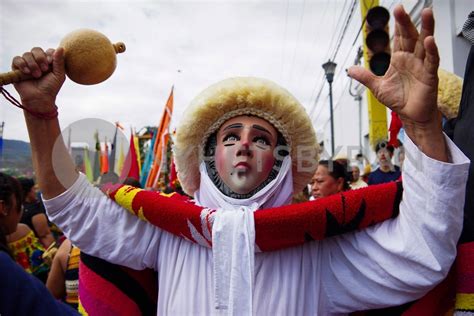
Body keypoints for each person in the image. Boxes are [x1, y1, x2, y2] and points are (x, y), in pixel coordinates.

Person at [10, 5, 470, 314]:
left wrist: (424, 127)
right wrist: (39, 114)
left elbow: (423, 254)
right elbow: (76, 210)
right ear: (207, 157)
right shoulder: (166, 236)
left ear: (284, 160)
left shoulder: (318, 250)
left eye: (262, 137)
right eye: (230, 135)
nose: (244, 143)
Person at [0, 173, 78, 315]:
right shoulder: (4, 266)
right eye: (18, 202)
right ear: (3, 207)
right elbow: (45, 307)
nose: (21, 209)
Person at [18, 177, 55, 248]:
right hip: (40, 249)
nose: (35, 192)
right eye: (33, 189)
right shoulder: (34, 210)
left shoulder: (17, 209)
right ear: (28, 192)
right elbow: (45, 236)